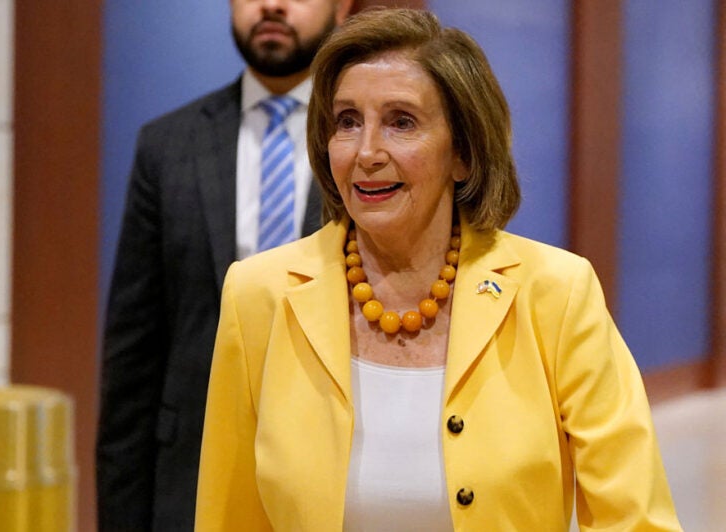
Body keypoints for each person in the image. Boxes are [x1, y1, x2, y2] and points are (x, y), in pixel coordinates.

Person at [196, 8, 681, 531]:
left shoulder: (557, 293)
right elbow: (230, 516)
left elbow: (634, 518)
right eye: (347, 121)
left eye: (401, 122)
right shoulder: (258, 294)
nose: (366, 152)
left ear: (463, 153)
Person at [97, 1, 354, 529]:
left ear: (343, 7)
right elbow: (133, 357)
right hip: (189, 476)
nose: (272, 5)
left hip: (338, 475)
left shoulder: (369, 151)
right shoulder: (167, 145)